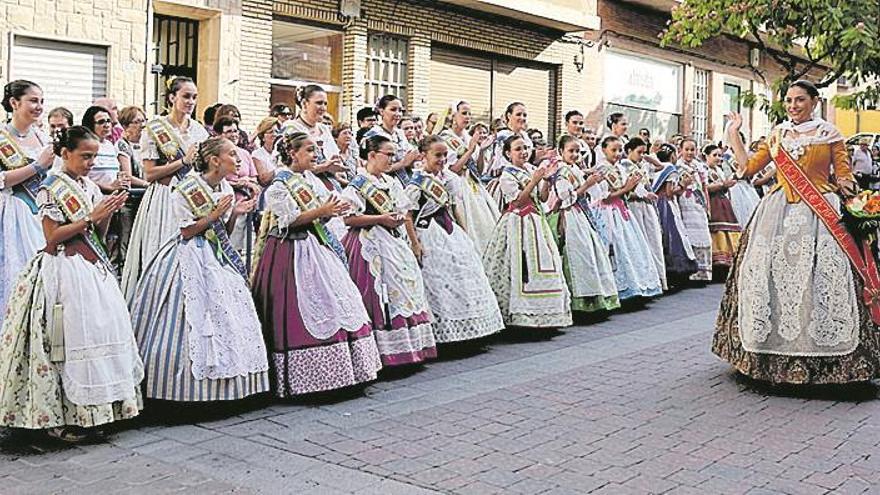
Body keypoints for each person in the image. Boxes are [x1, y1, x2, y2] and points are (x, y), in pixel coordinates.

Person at [713, 79, 880, 385]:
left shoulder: (830, 134)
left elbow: (843, 175)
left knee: (825, 278)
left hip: (821, 212)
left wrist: (858, 202)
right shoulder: (777, 134)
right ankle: (766, 354)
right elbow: (748, 169)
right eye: (789, 101)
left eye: (799, 100)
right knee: (765, 276)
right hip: (777, 212)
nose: (793, 106)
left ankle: (828, 358)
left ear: (814, 101)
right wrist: (732, 133)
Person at [0, 126, 143, 442]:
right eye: (85, 156)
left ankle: (98, 412)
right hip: (62, 268)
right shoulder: (50, 188)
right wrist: (92, 216)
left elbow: (99, 238)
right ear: (65, 154)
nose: (91, 162)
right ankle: (62, 417)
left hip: (90, 269)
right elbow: (52, 237)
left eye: (94, 156)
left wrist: (106, 214)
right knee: (67, 339)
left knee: (98, 331)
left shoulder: (89, 186)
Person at [130, 136, 269, 401]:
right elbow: (187, 230)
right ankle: (178, 386)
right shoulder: (186, 188)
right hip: (187, 254)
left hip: (214, 255)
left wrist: (235, 213)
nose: (239, 159)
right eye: (232, 155)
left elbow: (222, 233)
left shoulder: (226, 189)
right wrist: (215, 214)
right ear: (215, 160)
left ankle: (234, 382)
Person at [251, 131, 381, 397]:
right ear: (292, 153)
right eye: (309, 150)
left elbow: (322, 210)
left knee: (339, 300)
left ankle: (346, 370)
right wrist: (322, 212)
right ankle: (311, 377)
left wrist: (332, 210)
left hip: (316, 245)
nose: (315, 155)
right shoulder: (278, 186)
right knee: (309, 305)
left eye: (315, 150)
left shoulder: (310, 181)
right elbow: (288, 220)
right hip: (291, 250)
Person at [341, 135, 437, 366]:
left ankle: (412, 349)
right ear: (372, 155)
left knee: (405, 289)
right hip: (370, 243)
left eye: (394, 155)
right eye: (388, 154)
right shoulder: (359, 184)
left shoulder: (391, 182)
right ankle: (387, 352)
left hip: (394, 242)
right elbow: (348, 218)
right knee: (381, 293)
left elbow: (404, 211)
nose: (392, 159)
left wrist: (397, 221)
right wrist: (381, 218)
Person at [406, 135, 504, 344]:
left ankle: (472, 329)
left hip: (450, 231)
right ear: (423, 156)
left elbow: (451, 207)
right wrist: (415, 242)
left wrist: (464, 232)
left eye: (444, 155)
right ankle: (444, 333)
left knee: (465, 276)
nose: (442, 160)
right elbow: (408, 215)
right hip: (428, 232)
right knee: (438, 282)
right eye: (437, 155)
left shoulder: (449, 178)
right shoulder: (417, 182)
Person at [121, 77, 210, 300]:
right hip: (164, 199)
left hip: (191, 198)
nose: (191, 101)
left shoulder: (199, 131)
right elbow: (150, 173)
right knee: (162, 254)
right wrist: (183, 162)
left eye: (194, 97)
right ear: (172, 97)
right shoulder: (154, 129)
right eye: (186, 96)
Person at [482, 134, 572, 329]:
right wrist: (535, 180)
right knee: (519, 266)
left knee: (546, 262)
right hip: (518, 222)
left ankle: (547, 315)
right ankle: (521, 317)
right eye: (518, 149)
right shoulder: (507, 175)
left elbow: (541, 197)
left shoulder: (532, 169)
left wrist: (546, 181)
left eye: (525, 148)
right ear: (508, 153)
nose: (523, 152)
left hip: (536, 221)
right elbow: (517, 201)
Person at [0, 80, 53, 329]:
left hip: (39, 214)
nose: (39, 106)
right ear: (14, 103)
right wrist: (37, 166)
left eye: (41, 101)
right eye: (33, 100)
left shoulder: (43, 137)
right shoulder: (2, 137)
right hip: (12, 213)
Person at [549, 135, 619, 312]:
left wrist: (593, 181)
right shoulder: (562, 172)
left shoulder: (575, 169)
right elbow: (565, 198)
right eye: (570, 151)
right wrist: (587, 184)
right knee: (579, 255)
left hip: (582, 215)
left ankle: (594, 298)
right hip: (571, 216)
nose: (574, 155)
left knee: (590, 254)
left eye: (577, 151)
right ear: (561, 151)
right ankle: (580, 300)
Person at [594, 136, 663, 300]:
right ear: (603, 150)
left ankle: (636, 286)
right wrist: (627, 188)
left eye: (619, 150)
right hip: (608, 213)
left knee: (632, 246)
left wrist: (644, 193)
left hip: (621, 211)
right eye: (613, 150)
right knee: (616, 248)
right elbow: (605, 197)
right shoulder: (602, 169)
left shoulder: (619, 168)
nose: (617, 154)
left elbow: (632, 187)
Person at [439, 100, 499, 255]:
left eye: (469, 114)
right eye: (464, 113)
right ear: (453, 116)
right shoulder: (446, 138)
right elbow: (453, 170)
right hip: (459, 186)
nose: (468, 117)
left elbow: (479, 170)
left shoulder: (467, 136)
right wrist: (470, 150)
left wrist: (482, 151)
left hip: (474, 184)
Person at [621, 137, 667, 291]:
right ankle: (641, 282)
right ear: (629, 151)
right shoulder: (625, 166)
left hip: (646, 208)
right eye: (638, 152)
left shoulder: (642, 165)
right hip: (634, 207)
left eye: (643, 152)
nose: (641, 155)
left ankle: (656, 279)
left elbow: (660, 167)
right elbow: (626, 191)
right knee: (639, 243)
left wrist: (647, 157)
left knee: (653, 240)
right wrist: (643, 195)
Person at [214, 117, 263, 253]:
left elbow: (254, 177)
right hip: (225, 206)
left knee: (242, 248)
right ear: (219, 135)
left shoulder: (244, 154)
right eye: (229, 131)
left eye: (235, 131)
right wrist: (236, 183)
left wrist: (249, 182)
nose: (234, 134)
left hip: (244, 205)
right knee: (227, 247)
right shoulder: (215, 155)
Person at [285, 85, 348, 192]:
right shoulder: (292, 128)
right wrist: (325, 167)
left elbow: (334, 159)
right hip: (301, 187)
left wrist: (338, 173)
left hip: (330, 185)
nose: (323, 108)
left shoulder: (324, 129)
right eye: (319, 103)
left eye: (325, 104)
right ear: (305, 104)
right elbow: (291, 168)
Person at [652, 145, 698, 285]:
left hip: (658, 203)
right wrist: (683, 185)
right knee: (673, 235)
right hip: (666, 204)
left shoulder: (657, 168)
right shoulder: (670, 169)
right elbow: (670, 191)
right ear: (672, 155)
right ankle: (676, 271)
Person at [676, 138, 713, 281]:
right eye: (687, 149)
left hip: (698, 203)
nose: (690, 152)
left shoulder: (700, 167)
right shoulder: (677, 167)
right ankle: (690, 271)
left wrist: (707, 206)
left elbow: (704, 188)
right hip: (685, 203)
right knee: (688, 235)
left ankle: (703, 272)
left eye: (692, 149)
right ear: (681, 150)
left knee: (703, 235)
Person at [363, 95, 419, 184]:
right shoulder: (373, 135)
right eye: (393, 110)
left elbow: (410, 155)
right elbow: (372, 168)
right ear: (382, 111)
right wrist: (403, 163)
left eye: (400, 110)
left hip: (405, 182)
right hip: (381, 183)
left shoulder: (400, 133)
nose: (398, 114)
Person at [703, 144, 741, 270]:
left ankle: (727, 260)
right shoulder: (703, 170)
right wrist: (723, 185)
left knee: (727, 230)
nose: (718, 158)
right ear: (706, 156)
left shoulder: (718, 170)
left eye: (720, 155)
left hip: (723, 203)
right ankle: (717, 261)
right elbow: (704, 188)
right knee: (716, 230)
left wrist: (726, 185)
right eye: (715, 155)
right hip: (713, 204)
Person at [251, 116, 281, 185]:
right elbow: (264, 179)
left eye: (276, 131)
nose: (275, 134)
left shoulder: (281, 152)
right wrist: (280, 167)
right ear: (262, 137)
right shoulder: (257, 154)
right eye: (271, 132)